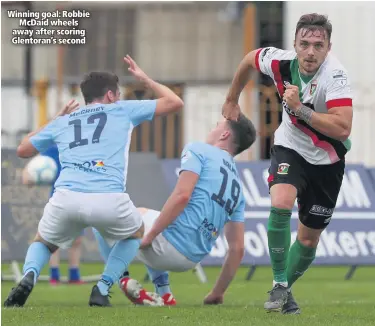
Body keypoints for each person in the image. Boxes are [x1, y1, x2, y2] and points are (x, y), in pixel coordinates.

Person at [4, 55, 184, 308]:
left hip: (65, 197)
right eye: (118, 93)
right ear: (110, 95)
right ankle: (102, 288)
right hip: (108, 198)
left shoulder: (65, 121)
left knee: (43, 242)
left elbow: (23, 150)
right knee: (136, 235)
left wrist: (56, 118)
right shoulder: (122, 110)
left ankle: (29, 275)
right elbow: (175, 102)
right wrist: (145, 79)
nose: (119, 98)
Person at [222, 13, 353, 314]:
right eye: (304, 44)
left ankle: (283, 290)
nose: (310, 52)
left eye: (318, 45)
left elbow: (343, 128)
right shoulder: (279, 62)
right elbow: (247, 60)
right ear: (294, 44)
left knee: (308, 241)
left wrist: (299, 109)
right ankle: (280, 282)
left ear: (328, 47)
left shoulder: (336, 77)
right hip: (290, 147)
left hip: (328, 159)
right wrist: (232, 99)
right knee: (280, 203)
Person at [92, 113, 257, 306]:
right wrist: (217, 293)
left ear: (224, 135)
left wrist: (151, 235)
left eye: (216, 125)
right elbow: (237, 249)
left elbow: (182, 196)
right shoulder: (238, 188)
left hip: (167, 246)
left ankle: (117, 283)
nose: (212, 129)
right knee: (144, 214)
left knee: (101, 218)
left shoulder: (199, 150)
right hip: (190, 260)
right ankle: (165, 293)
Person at [23, 144, 84, 285]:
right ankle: (54, 275)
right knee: (52, 239)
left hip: (79, 197)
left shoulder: (81, 146)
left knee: (77, 240)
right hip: (58, 198)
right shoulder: (53, 148)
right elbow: (34, 164)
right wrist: (29, 175)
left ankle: (74, 275)